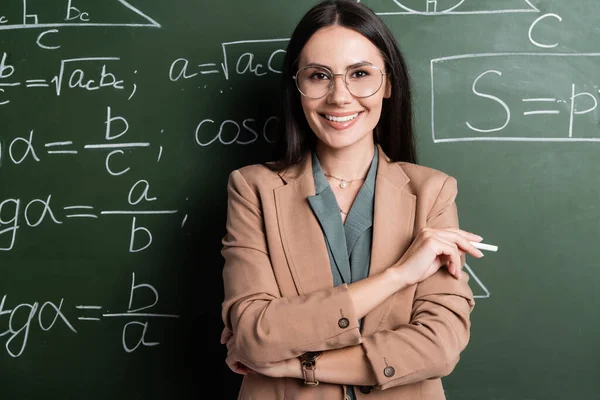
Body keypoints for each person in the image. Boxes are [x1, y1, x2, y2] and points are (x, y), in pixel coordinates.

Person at [219, 1, 483, 398]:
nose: (340, 97)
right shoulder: (252, 189)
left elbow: (438, 347)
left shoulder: (433, 192)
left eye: (360, 74)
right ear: (297, 87)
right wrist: (398, 276)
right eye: (319, 76)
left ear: (389, 83)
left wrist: (297, 364)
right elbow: (256, 335)